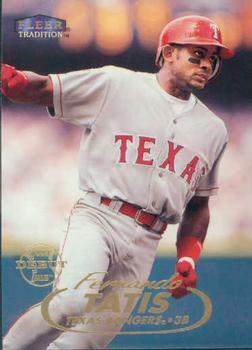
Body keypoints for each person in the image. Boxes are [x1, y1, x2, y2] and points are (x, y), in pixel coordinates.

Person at [2, 15, 234, 350]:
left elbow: (199, 204)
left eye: (213, 59)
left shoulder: (214, 131)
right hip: (99, 217)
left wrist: (188, 258)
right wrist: (16, 80)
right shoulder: (117, 84)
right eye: (197, 54)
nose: (207, 64)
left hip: (148, 240)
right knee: (69, 304)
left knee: (86, 343)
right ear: (168, 53)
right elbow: (42, 88)